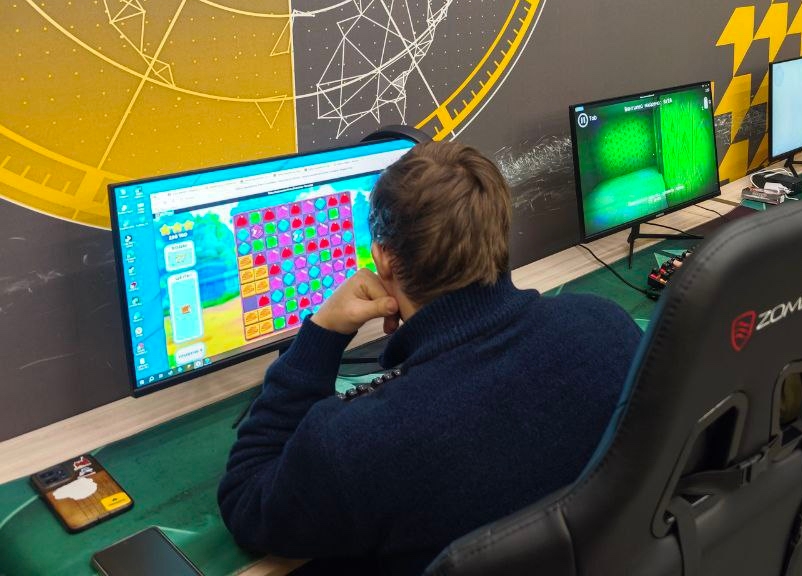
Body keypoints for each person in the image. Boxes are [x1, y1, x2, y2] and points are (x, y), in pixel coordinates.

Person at [218, 141, 642, 575]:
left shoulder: (358, 442)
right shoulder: (607, 326)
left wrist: (322, 334)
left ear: (383, 259)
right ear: (500, 232)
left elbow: (247, 499)